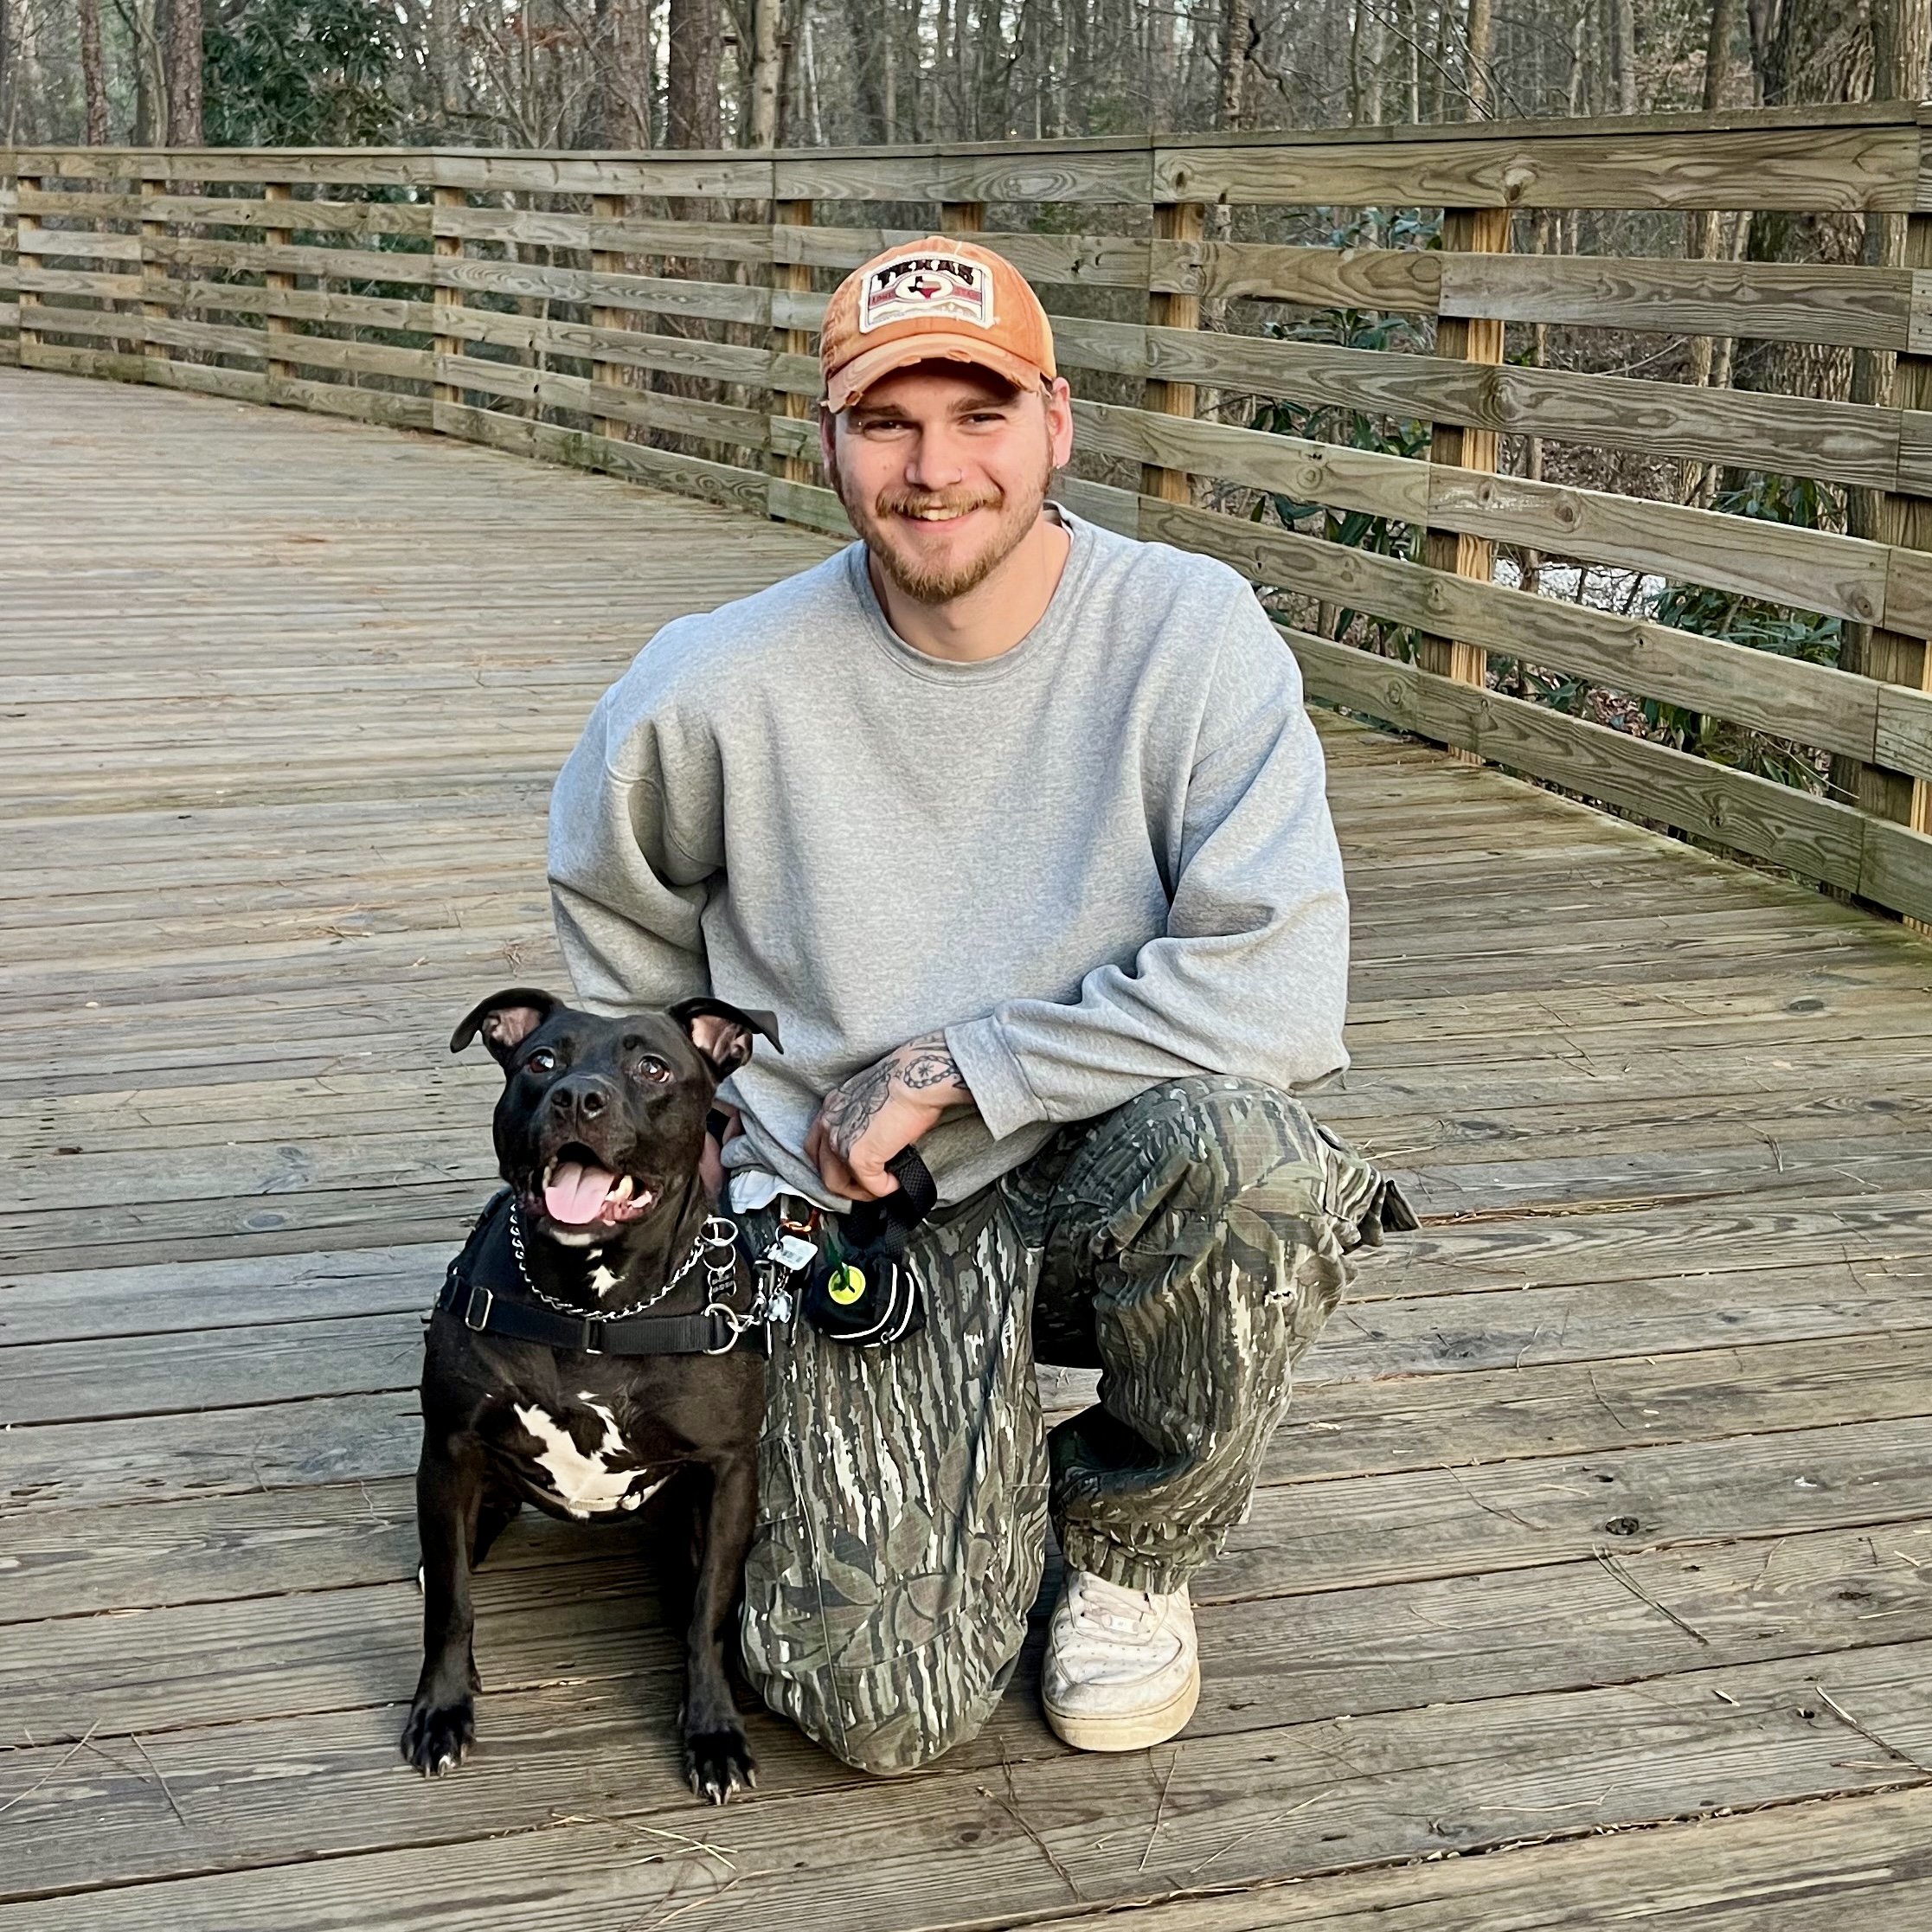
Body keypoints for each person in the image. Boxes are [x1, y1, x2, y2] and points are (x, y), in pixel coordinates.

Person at [548, 235, 1410, 1776]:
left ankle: (1130, 1545)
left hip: (1097, 1177)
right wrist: (696, 1176)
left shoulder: (1189, 635)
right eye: (886, 421)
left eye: (978, 414)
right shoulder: (714, 683)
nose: (934, 468)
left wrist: (964, 1063)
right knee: (875, 1708)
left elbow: (1277, 984)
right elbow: (618, 958)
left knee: (1261, 1161)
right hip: (841, 1216)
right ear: (827, 440)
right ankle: (938, 1452)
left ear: (1057, 423)